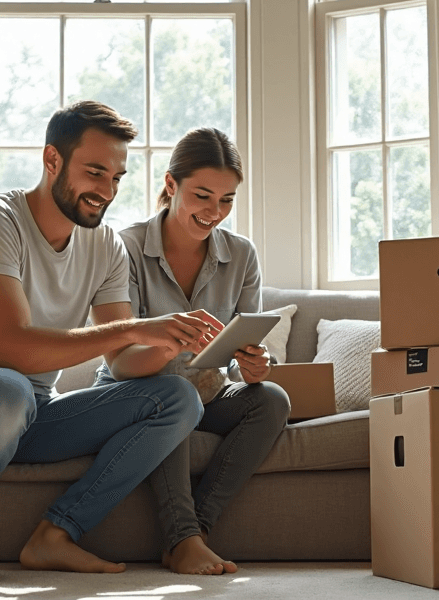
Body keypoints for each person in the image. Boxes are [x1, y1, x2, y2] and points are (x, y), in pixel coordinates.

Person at [0, 101, 221, 583]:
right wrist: (137, 327)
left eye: (117, 178)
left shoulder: (106, 246)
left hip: (32, 411)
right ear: (52, 160)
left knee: (178, 397)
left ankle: (56, 534)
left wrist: (173, 342)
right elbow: (14, 349)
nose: (106, 191)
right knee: (5, 388)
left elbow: (123, 361)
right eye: (95, 173)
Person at [94, 127, 291, 575]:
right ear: (170, 185)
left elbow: (244, 346)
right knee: (174, 394)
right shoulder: (123, 248)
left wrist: (254, 366)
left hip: (206, 389)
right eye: (202, 196)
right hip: (137, 392)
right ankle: (182, 538)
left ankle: (192, 533)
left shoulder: (241, 256)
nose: (214, 212)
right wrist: (170, 342)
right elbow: (122, 363)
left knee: (272, 400)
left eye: (226, 200)